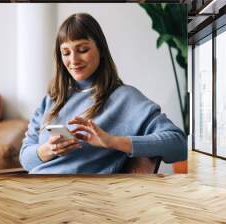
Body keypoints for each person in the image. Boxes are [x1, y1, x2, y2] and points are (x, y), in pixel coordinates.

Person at [19, 13, 187, 174]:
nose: (73, 60)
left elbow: (178, 144)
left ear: (101, 50)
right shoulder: (51, 99)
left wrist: (112, 141)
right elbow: (25, 159)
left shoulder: (125, 98)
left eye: (83, 49)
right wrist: (47, 150)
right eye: (66, 53)